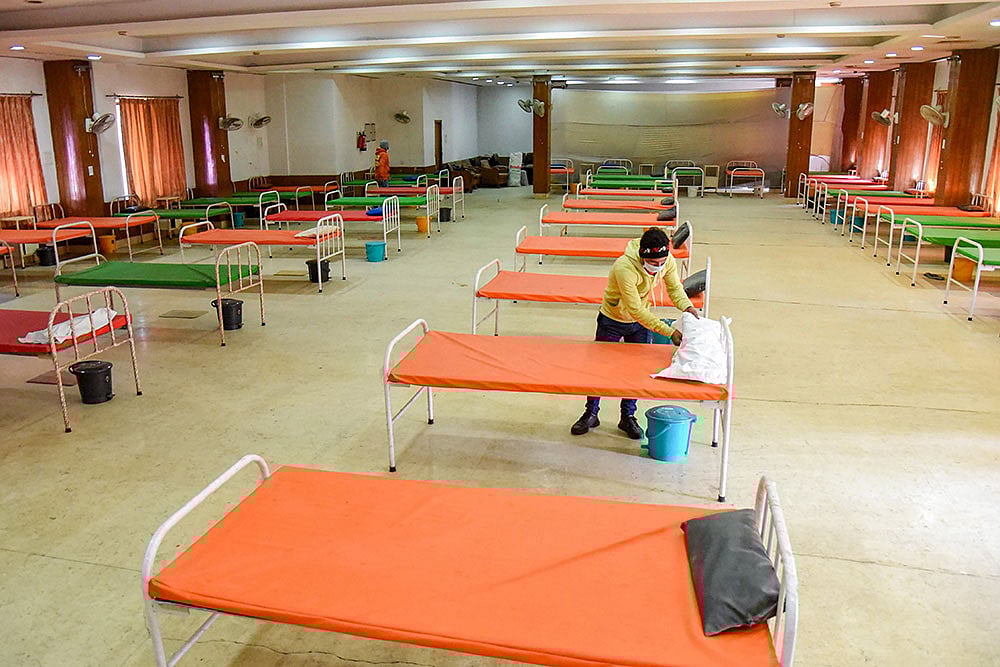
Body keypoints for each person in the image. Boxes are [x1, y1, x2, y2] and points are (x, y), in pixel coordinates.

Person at [571, 227, 699, 439]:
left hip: (640, 324)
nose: (658, 267)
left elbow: (675, 289)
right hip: (612, 320)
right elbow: (635, 309)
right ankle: (591, 413)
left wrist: (687, 307)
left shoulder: (667, 260)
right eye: (654, 263)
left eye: (662, 262)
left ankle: (627, 416)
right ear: (642, 256)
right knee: (599, 368)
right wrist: (668, 332)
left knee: (636, 371)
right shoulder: (624, 267)